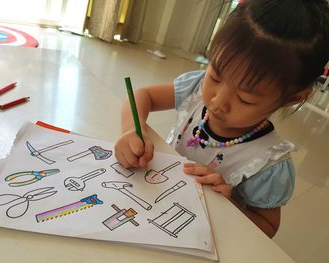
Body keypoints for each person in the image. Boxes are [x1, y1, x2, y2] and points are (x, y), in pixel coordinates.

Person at [114, 0, 329, 238]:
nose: (217, 101)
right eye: (215, 77)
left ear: (292, 98)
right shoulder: (195, 89)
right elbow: (141, 96)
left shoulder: (268, 163)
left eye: (245, 99)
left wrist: (226, 203)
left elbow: (267, 228)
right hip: (152, 196)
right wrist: (134, 129)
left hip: (196, 232)